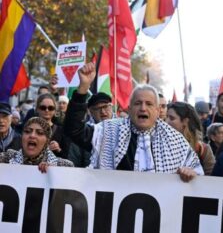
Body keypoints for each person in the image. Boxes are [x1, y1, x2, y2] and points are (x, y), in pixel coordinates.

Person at [64, 62, 203, 182]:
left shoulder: (175, 140)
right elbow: (74, 129)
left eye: (149, 104)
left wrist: (191, 173)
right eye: (138, 103)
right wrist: (83, 87)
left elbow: (198, 175)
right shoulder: (109, 131)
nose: (143, 108)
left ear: (157, 110)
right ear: (129, 109)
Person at [0, 117, 73, 172]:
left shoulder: (63, 166)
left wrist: (56, 174)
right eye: (27, 131)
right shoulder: (6, 159)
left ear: (47, 141)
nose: (32, 135)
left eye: (40, 133)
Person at [166, 102, 216, 175]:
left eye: (172, 118)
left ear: (185, 121)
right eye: (166, 117)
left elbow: (212, 179)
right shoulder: (159, 144)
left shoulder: (202, 149)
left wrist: (195, 174)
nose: (166, 122)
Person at [36, 93, 72, 159]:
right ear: (37, 109)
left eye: (50, 108)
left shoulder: (62, 130)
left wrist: (58, 149)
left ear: (55, 110)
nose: (47, 110)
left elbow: (67, 157)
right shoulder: (30, 129)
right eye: (43, 107)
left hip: (55, 167)